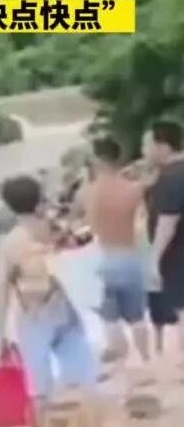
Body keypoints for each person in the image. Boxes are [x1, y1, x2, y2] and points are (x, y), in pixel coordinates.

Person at [0, 174, 97, 427]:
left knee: (38, 387)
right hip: (63, 306)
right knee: (83, 375)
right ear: (39, 198)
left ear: (9, 206)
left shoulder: (11, 243)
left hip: (34, 315)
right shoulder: (52, 228)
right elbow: (76, 245)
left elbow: (3, 289)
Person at [76, 136, 149, 364]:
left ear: (96, 159)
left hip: (101, 257)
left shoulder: (87, 193)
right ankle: (146, 360)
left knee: (110, 318)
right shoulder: (133, 189)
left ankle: (122, 363)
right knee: (137, 317)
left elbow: (81, 225)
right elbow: (142, 222)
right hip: (130, 255)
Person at [143, 120, 184, 360]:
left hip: (178, 256)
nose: (144, 151)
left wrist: (153, 260)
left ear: (163, 146)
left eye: (147, 144)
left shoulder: (171, 178)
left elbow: (167, 223)